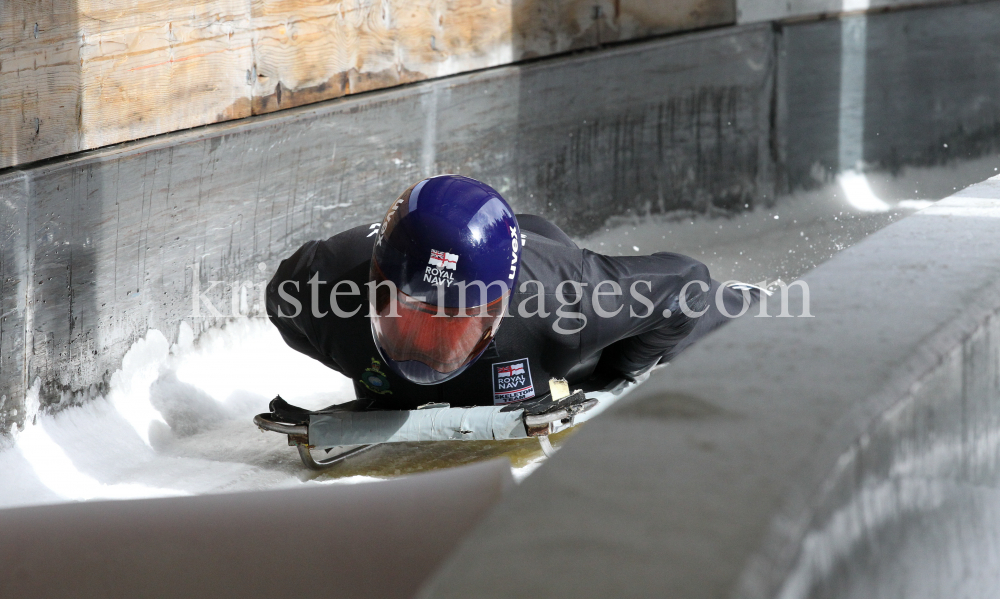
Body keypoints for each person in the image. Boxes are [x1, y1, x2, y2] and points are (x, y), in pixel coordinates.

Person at [265, 174, 756, 413]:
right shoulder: (318, 287)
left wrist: (616, 372)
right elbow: (282, 304)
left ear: (495, 314)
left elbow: (685, 285)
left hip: (548, 269)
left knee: (733, 317)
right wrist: (357, 362)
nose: (426, 344)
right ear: (374, 285)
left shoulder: (568, 302)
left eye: (454, 323)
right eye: (408, 315)